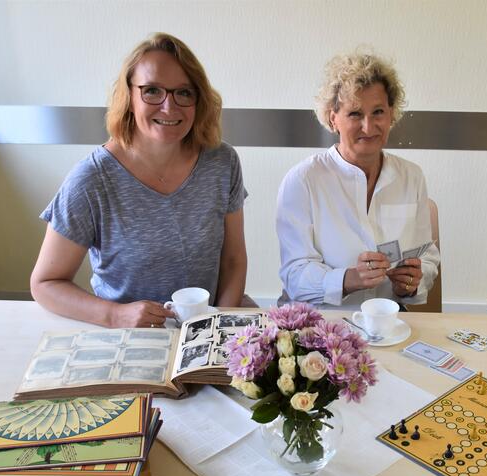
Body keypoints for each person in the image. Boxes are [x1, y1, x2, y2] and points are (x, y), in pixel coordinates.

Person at [31, 33, 248, 328]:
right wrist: (115, 315)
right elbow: (45, 283)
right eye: (152, 91)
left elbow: (234, 259)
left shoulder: (222, 162)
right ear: (129, 97)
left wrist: (219, 324)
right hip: (127, 338)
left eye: (184, 92)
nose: (169, 107)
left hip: (204, 331)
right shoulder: (92, 180)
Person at [276, 50, 439, 309]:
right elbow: (294, 274)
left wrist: (411, 283)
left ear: (391, 114)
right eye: (354, 114)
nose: (368, 125)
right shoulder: (303, 180)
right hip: (319, 325)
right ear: (333, 118)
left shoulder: (412, 177)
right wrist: (348, 279)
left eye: (378, 112)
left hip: (388, 323)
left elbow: (427, 256)